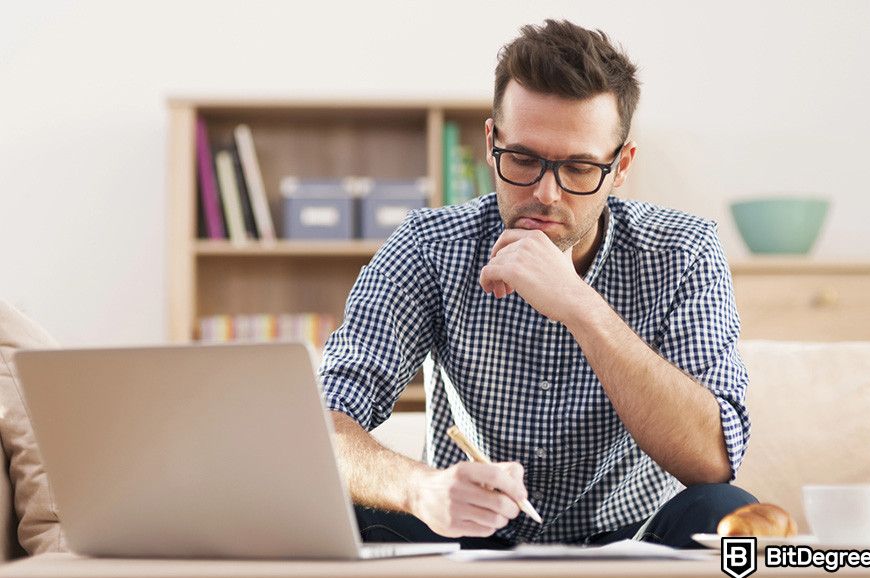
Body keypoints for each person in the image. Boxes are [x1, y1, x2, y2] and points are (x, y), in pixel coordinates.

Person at [319, 19, 755, 549]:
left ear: (621, 167)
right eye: (523, 159)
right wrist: (419, 489)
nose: (546, 194)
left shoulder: (684, 252)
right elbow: (322, 422)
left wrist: (579, 304)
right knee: (333, 508)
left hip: (634, 541)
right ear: (490, 143)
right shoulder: (429, 247)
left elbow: (713, 460)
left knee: (726, 512)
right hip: (470, 537)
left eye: (577, 168)